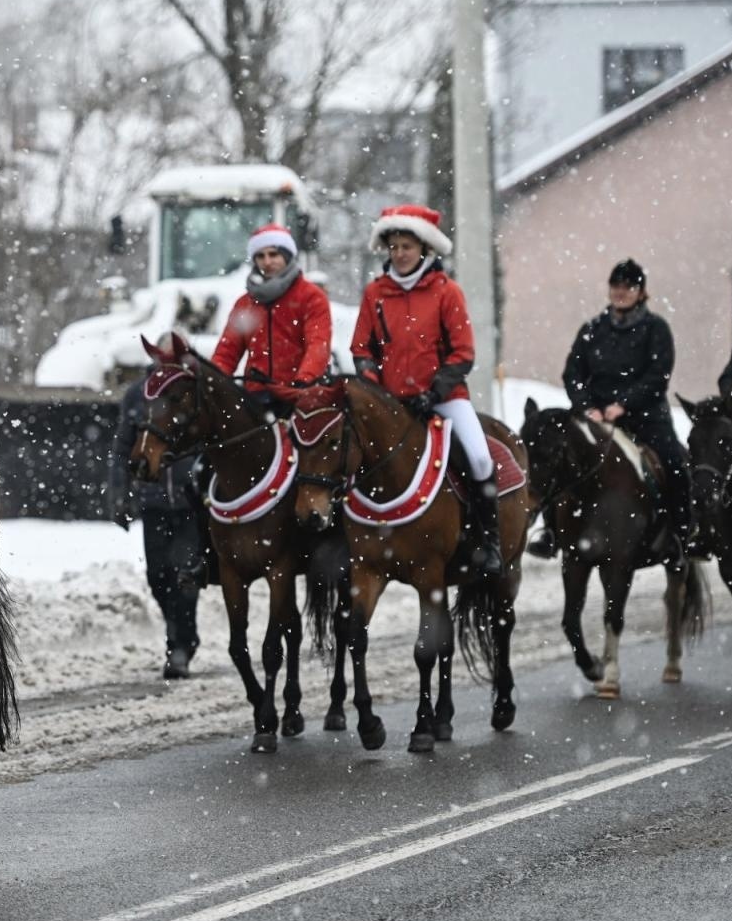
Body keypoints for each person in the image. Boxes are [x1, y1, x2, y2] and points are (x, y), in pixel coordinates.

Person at [351, 204, 502, 577]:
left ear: (424, 248)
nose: (400, 253)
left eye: (407, 246)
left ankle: (488, 542)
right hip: (391, 403)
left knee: (480, 460)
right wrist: (374, 388)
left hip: (444, 399)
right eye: (394, 246)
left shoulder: (447, 291)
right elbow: (362, 350)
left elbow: (463, 352)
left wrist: (434, 393)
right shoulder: (374, 293)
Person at [530, 258, 697, 559]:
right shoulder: (592, 329)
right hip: (595, 418)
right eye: (616, 285)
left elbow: (658, 375)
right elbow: (572, 374)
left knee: (674, 464)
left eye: (628, 286)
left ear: (641, 292)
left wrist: (624, 405)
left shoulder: (656, 329)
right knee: (556, 458)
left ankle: (681, 535)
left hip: (646, 417)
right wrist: (586, 407)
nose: (621, 291)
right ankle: (551, 531)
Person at [110, 371, 204, 679]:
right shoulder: (138, 394)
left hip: (190, 503)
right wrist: (120, 495)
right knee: (157, 577)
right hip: (153, 502)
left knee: (185, 577)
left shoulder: (195, 390)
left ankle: (180, 646)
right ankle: (181, 633)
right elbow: (123, 447)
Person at [210, 222, 333, 419]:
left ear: (287, 256)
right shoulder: (245, 304)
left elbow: (318, 344)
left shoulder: (311, 297)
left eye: (273, 254)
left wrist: (304, 381)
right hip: (256, 398)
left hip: (300, 396)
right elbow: (227, 352)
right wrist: (212, 381)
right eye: (260, 256)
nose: (267, 261)